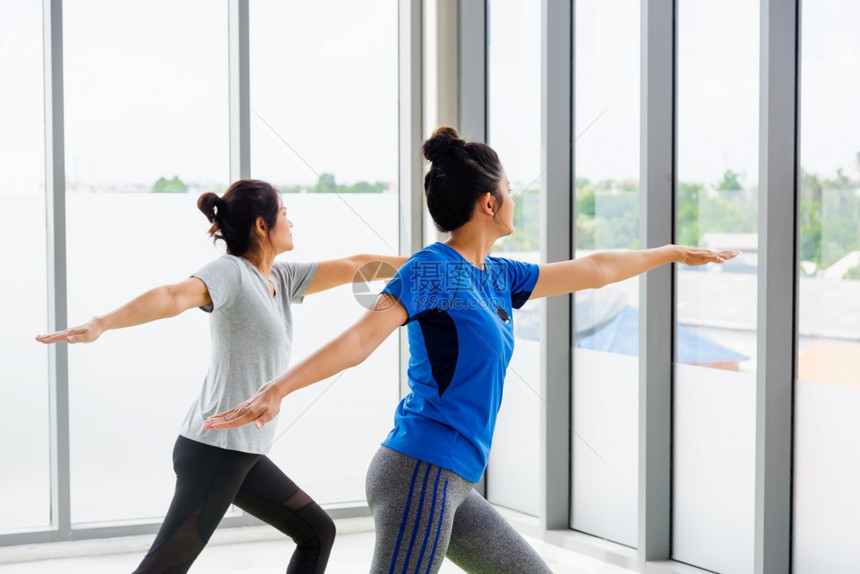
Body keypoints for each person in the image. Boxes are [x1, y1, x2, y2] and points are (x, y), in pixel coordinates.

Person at [203, 128, 739, 573]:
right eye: (509, 189)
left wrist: (671, 252)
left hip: (455, 479)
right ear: (489, 202)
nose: (513, 200)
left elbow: (595, 270)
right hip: (419, 470)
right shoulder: (432, 269)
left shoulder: (499, 277)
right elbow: (361, 339)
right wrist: (279, 388)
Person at [36, 178, 406, 574]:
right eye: (284, 213)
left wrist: (441, 262)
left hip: (241, 452)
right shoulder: (231, 273)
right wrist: (101, 323)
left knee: (317, 532)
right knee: (163, 568)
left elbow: (356, 266)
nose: (291, 222)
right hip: (215, 451)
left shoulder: (280, 278)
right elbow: (173, 296)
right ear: (262, 226)